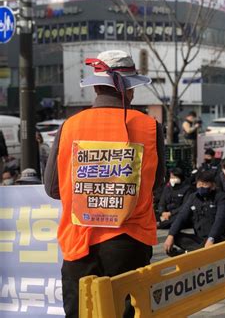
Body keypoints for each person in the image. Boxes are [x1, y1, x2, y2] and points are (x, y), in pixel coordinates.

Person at [43, 50, 165, 318]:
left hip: (79, 243)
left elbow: (52, 188)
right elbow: (156, 184)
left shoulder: (69, 126)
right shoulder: (150, 127)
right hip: (129, 241)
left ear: (96, 86)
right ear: (129, 90)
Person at [164, 171, 225, 256]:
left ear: (213, 185)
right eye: (199, 184)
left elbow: (220, 221)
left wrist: (211, 239)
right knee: (175, 236)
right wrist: (171, 235)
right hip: (200, 239)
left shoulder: (221, 197)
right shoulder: (193, 197)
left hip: (217, 238)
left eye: (205, 184)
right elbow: (182, 216)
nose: (201, 187)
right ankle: (197, 252)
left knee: (210, 244)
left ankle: (188, 253)